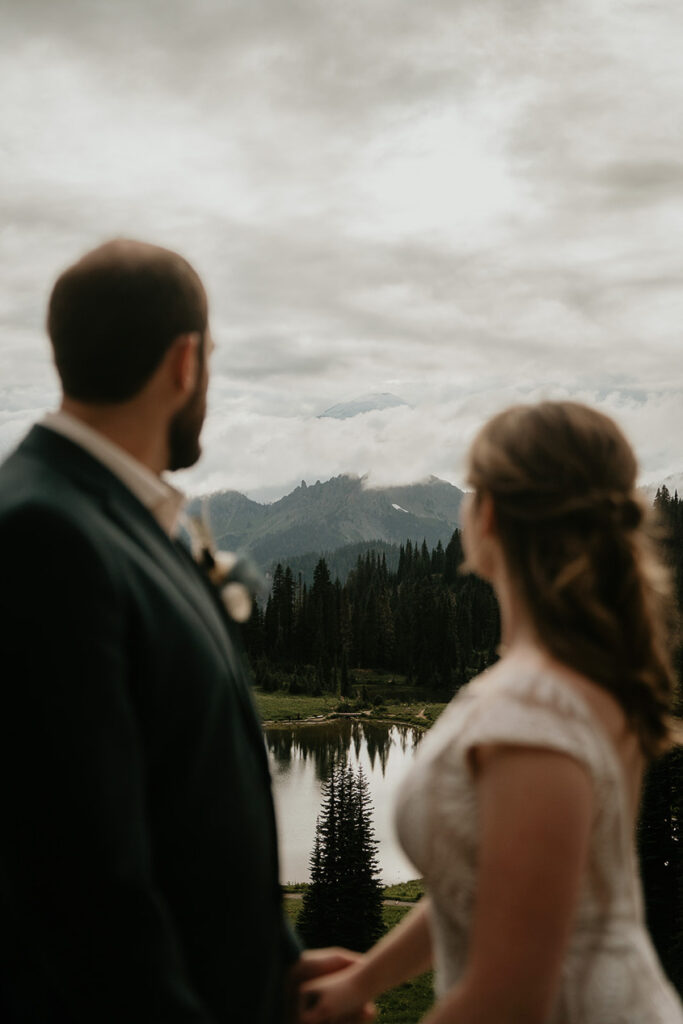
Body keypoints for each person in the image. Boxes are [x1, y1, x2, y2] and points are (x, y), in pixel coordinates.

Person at [0, 238, 367, 1024]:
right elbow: (81, 877)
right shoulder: (41, 535)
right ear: (184, 361)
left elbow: (191, 808)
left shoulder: (134, 519)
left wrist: (278, 969)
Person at [296, 401, 683, 1024]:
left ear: (490, 516)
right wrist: (365, 978)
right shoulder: (575, 679)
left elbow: (506, 1001)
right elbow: (484, 885)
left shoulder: (534, 708)